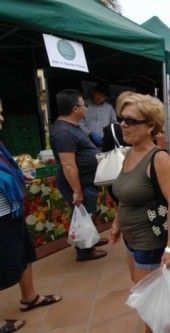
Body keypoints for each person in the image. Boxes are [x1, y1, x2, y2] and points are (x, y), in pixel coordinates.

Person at [109, 93, 170, 333]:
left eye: (131, 121)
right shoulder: (129, 153)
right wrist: (117, 223)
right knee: (142, 289)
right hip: (131, 239)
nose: (123, 124)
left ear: (150, 126)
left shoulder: (159, 158)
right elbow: (123, 195)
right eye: (122, 119)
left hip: (149, 241)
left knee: (149, 303)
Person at [0, 100, 61, 332]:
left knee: (24, 254)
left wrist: (17, 175)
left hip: (11, 211)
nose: (2, 119)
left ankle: (30, 297)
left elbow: (7, 172)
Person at [50, 89, 108, 261]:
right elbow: (68, 165)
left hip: (86, 181)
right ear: (75, 109)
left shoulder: (71, 127)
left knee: (88, 213)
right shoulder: (63, 132)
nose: (86, 109)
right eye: (84, 106)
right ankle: (84, 251)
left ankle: (91, 239)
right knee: (84, 214)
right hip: (78, 183)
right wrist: (76, 190)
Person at [79, 82, 116, 148]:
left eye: (103, 96)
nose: (99, 97)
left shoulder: (109, 107)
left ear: (106, 98)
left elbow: (114, 123)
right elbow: (79, 122)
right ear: (93, 92)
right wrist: (90, 133)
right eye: (98, 94)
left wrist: (108, 136)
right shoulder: (84, 104)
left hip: (103, 141)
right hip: (85, 139)